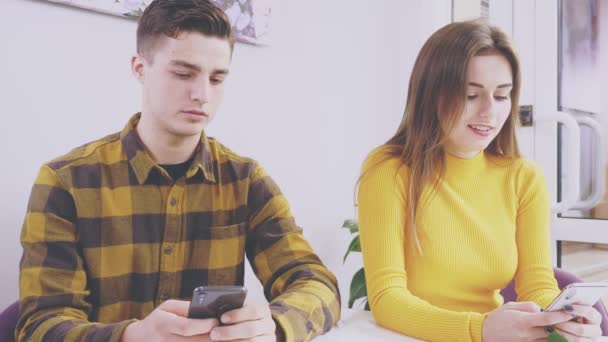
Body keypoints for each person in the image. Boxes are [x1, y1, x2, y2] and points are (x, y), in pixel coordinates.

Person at [16, 1, 340, 341]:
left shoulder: (246, 181)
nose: (202, 95)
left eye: (217, 78)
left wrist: (273, 326)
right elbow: (40, 327)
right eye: (183, 73)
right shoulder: (66, 182)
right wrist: (133, 336)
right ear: (140, 68)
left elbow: (317, 284)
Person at [357, 19, 603, 341]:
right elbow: (386, 298)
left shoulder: (524, 177)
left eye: (502, 96)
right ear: (431, 95)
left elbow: (536, 284)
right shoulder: (389, 170)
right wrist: (479, 329)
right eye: (471, 95)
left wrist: (564, 318)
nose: (490, 112)